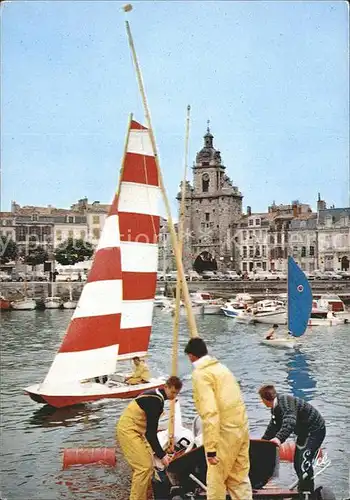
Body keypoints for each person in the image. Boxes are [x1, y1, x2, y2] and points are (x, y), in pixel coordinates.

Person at [184, 337, 252, 500]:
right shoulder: (222, 368)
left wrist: (211, 448)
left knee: (216, 481)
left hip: (224, 434)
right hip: (241, 429)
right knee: (239, 480)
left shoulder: (201, 374)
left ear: (191, 356)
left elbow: (210, 412)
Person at [116, 376, 183, 500]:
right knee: (143, 467)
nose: (174, 396)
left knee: (149, 463)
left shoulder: (157, 396)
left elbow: (149, 432)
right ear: (166, 387)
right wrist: (162, 455)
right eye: (172, 392)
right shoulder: (155, 400)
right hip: (128, 430)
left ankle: (145, 495)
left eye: (177, 393)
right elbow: (151, 434)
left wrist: (159, 453)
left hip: (138, 431)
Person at [259, 384, 326, 496]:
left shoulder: (285, 401)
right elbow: (273, 427)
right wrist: (263, 442)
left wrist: (278, 439)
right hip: (304, 433)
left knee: (304, 464)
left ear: (264, 399)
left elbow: (290, 421)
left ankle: (307, 493)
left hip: (315, 431)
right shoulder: (276, 408)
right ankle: (302, 490)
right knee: (297, 463)